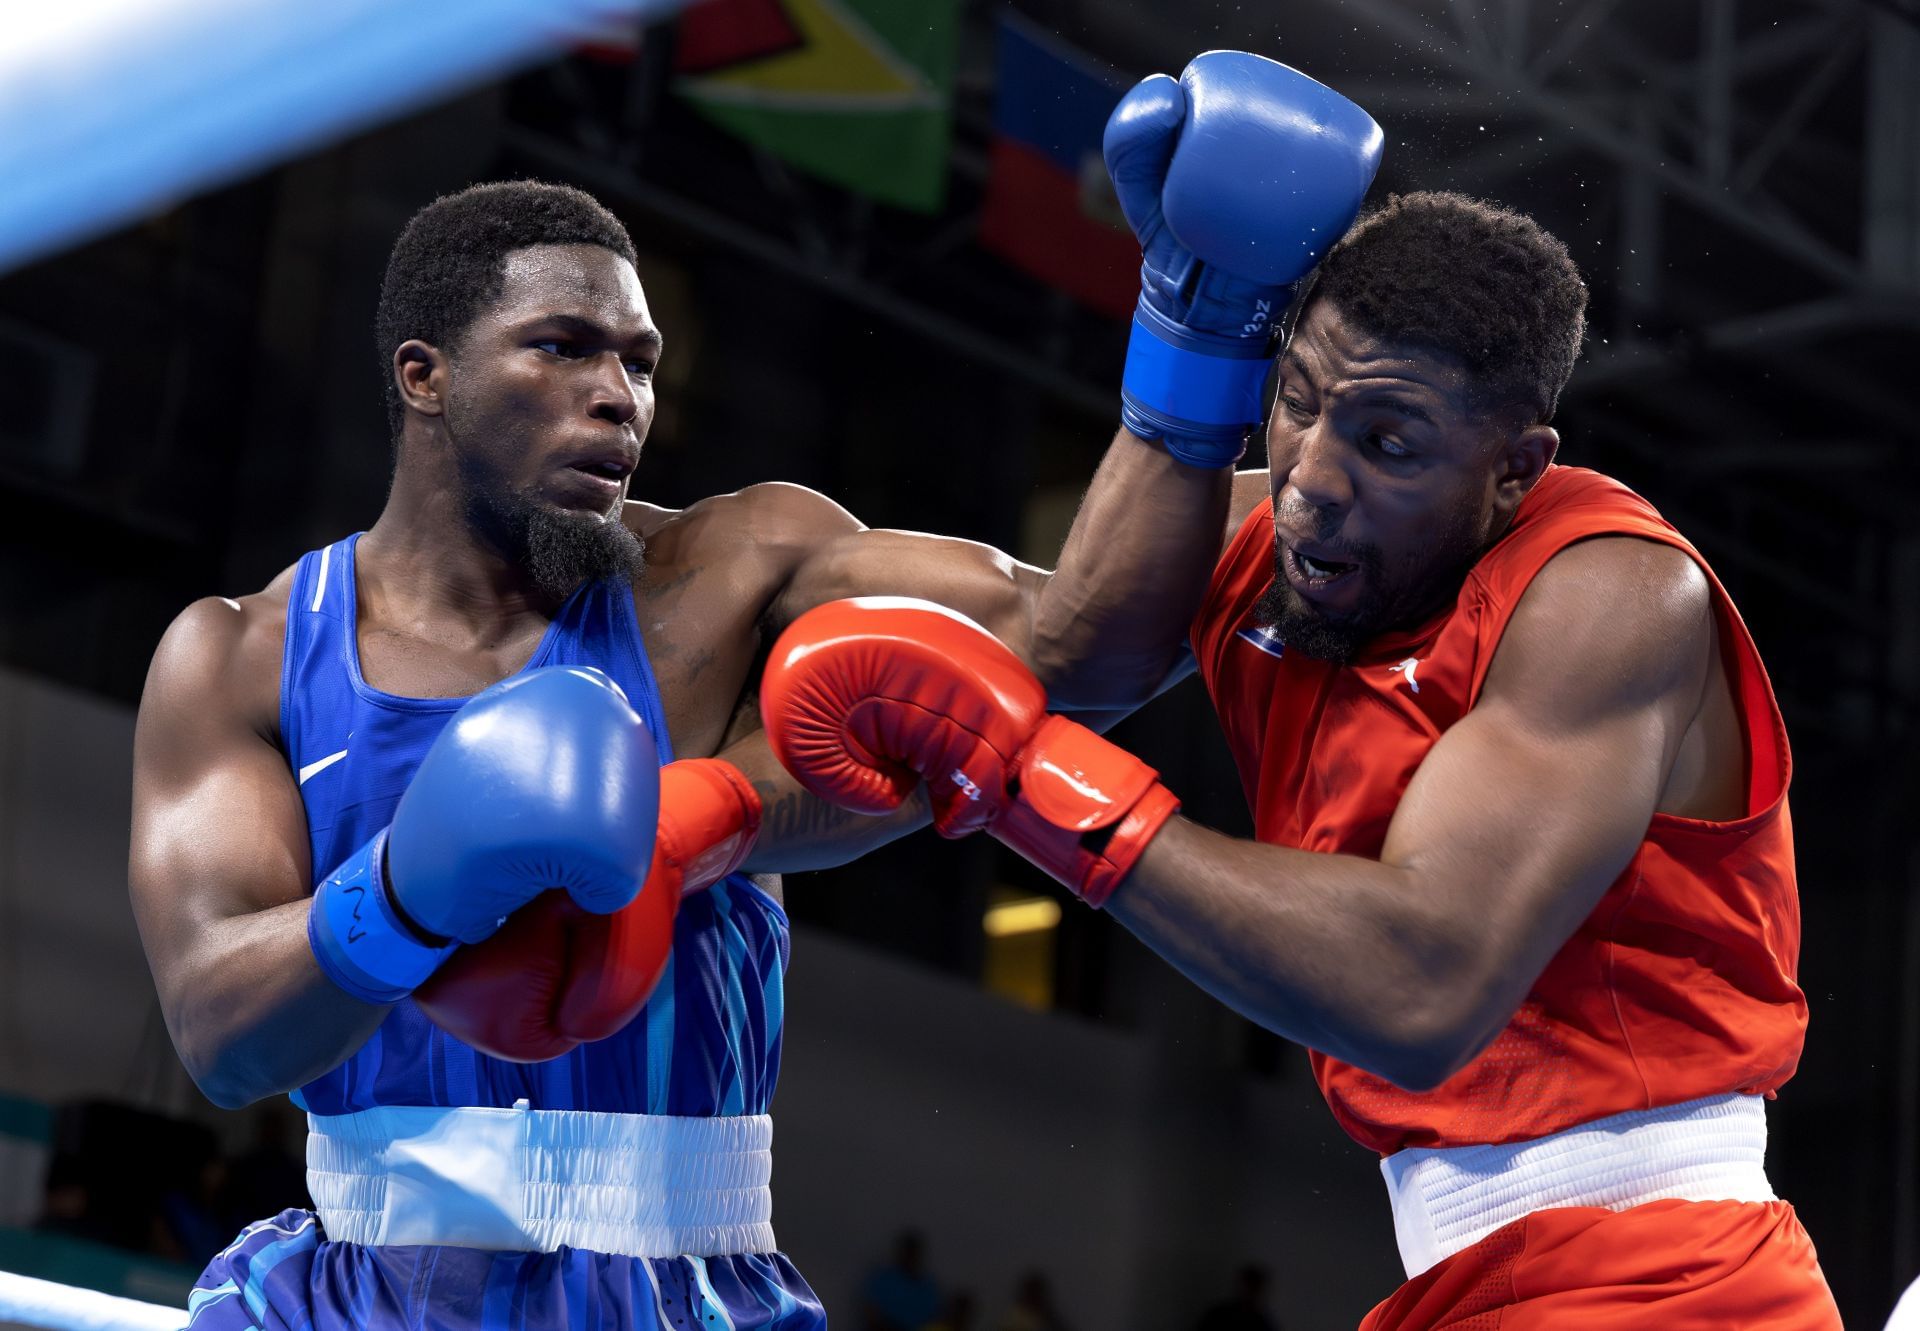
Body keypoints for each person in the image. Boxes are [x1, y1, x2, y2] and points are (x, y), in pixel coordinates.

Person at [128, 53, 1379, 1331]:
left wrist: (1204, 336)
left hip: (679, 1285)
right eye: (561, 349)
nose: (619, 397)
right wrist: (401, 889)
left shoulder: (728, 574)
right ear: (423, 375)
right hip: (355, 1290)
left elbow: (1075, 642)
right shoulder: (242, 654)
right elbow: (224, 1038)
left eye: (641, 359)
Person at [757, 84, 1845, 1328]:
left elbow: (1419, 988)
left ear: (1514, 471)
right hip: (1465, 1275)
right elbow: (1068, 652)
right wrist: (1195, 332)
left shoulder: (1610, 597)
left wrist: (1023, 778)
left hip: (1663, 1278)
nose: (1317, 481)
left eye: (1390, 443)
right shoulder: (1275, 531)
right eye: (1301, 400)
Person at [1193, 1265, 1278, 1331]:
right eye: (1248, 1288)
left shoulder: (1264, 1324)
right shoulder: (1217, 1316)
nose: (1249, 1294)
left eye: (1255, 1289)